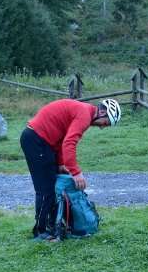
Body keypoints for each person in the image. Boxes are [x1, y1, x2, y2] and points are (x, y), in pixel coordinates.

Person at [20, 98, 121, 240]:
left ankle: (52, 226)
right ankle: (40, 231)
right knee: (45, 190)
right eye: (105, 123)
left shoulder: (85, 112)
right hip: (36, 141)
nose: (102, 127)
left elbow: (63, 137)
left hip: (44, 142)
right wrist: (76, 173)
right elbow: (69, 143)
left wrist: (61, 163)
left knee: (53, 188)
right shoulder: (84, 115)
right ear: (103, 112)